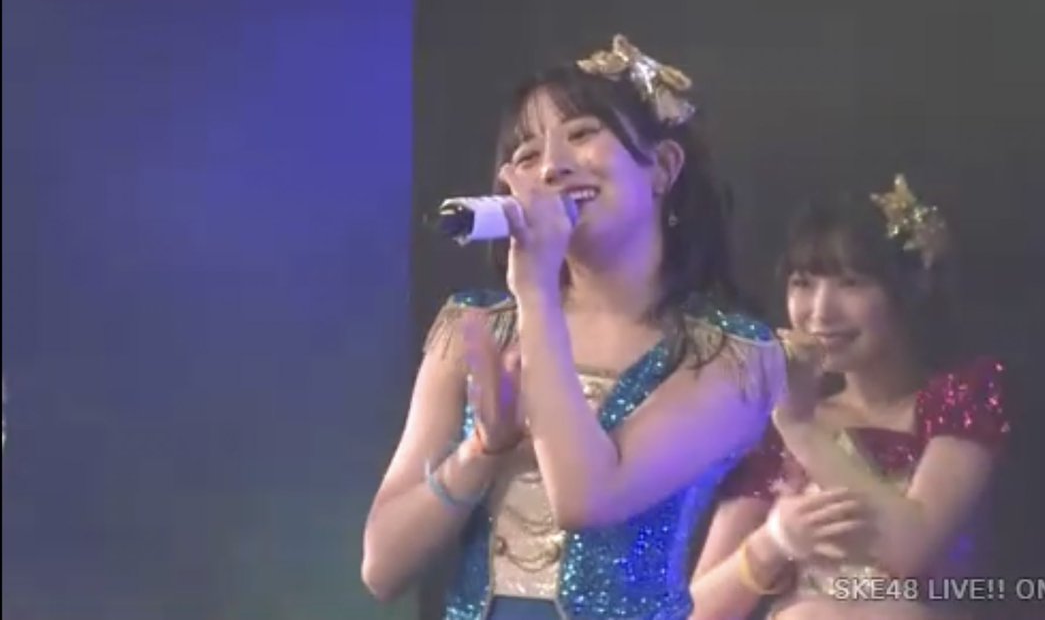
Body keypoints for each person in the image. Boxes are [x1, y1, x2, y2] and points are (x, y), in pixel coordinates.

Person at [361, 35, 789, 619]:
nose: (551, 166)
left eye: (583, 133)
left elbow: (587, 498)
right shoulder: (476, 326)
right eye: (527, 153)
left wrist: (536, 290)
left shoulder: (728, 354)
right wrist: (481, 451)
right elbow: (382, 566)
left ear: (663, 167)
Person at [690, 175, 1011, 620]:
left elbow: (908, 547)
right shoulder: (773, 427)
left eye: (851, 283)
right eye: (803, 283)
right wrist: (773, 542)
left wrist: (802, 429)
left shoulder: (960, 398)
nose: (820, 312)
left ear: (911, 288)